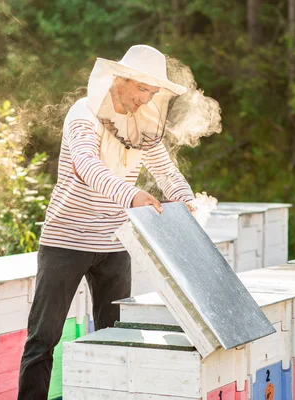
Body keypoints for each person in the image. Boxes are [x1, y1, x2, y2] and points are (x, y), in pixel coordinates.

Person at [18, 44, 195, 399]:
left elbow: (165, 171)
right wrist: (131, 196)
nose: (146, 100)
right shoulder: (82, 114)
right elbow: (87, 167)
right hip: (66, 241)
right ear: (121, 79)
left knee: (116, 338)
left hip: (114, 244)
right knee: (43, 339)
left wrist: (187, 201)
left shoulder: (143, 125)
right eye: (142, 89)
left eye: (152, 93)